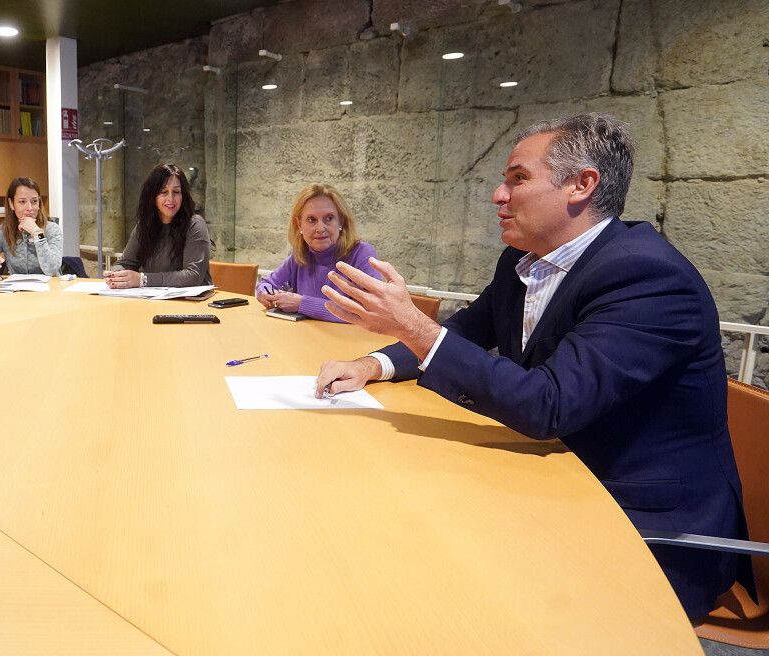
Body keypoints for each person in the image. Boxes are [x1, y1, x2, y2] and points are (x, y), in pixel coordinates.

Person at [314, 113, 748, 620]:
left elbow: (550, 404)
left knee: (438, 587)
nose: (499, 195)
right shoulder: (524, 260)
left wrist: (414, 326)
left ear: (582, 185)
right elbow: (470, 329)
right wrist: (372, 364)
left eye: (517, 178)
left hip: (643, 527)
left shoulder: (646, 276)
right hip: (553, 481)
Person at [255, 183, 381, 321]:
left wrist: (301, 304)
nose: (320, 228)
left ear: (341, 221)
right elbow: (266, 284)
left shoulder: (362, 253)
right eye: (311, 220)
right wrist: (265, 294)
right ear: (299, 225)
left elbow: (369, 310)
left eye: (329, 218)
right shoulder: (299, 255)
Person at [105, 163, 211, 288]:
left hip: (192, 304)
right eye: (163, 192)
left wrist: (142, 279)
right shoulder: (144, 226)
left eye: (176, 192)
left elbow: (193, 276)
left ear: (183, 195)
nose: (171, 199)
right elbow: (125, 263)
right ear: (152, 196)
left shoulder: (195, 224)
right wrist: (116, 275)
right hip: (155, 301)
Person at [0, 177, 63, 276]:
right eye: (22, 202)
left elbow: (52, 270)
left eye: (34, 201)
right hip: (18, 289)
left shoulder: (52, 229)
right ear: (11, 204)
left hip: (50, 289)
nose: (30, 208)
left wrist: (37, 233)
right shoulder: (4, 230)